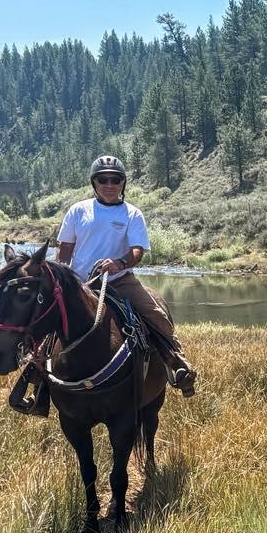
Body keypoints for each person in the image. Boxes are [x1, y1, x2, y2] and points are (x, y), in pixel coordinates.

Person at [56, 155, 196, 396]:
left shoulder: (132, 214)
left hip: (120, 280)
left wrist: (120, 263)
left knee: (156, 314)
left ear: (122, 183)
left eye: (115, 179)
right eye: (103, 179)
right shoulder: (78, 211)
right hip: (80, 283)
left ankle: (177, 364)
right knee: (41, 318)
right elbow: (65, 248)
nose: (109, 184)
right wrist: (61, 277)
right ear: (94, 183)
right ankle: (35, 375)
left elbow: (137, 251)